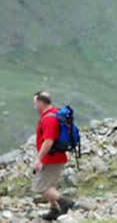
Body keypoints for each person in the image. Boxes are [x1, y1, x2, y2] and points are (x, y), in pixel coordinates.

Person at [32, 91, 75, 221]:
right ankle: (54, 210)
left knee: (40, 187)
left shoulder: (49, 118)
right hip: (57, 157)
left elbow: (48, 141)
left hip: (51, 158)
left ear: (41, 103)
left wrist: (39, 159)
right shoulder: (55, 113)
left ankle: (65, 202)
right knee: (51, 185)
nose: (35, 107)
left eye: (35, 103)